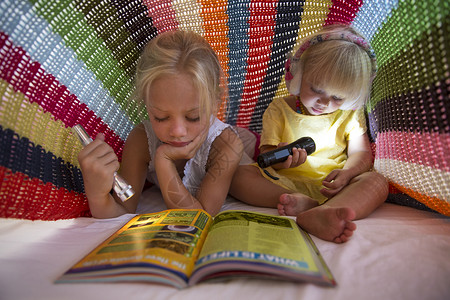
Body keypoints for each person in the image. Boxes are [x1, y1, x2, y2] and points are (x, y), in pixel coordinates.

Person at [230, 24, 389, 243]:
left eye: (338, 98)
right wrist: (283, 161)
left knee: (377, 181)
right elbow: (267, 154)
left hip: (334, 188)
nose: (324, 103)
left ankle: (326, 211)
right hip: (281, 182)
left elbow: (361, 153)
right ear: (299, 75)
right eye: (316, 90)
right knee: (238, 176)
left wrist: (347, 174)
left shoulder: (349, 115)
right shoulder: (279, 109)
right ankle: (298, 202)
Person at [78, 31, 244, 219]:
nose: (178, 132)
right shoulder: (142, 140)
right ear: (147, 106)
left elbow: (199, 218)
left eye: (193, 117)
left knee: (248, 183)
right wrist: (97, 195)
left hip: (242, 141)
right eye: (161, 117)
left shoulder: (227, 144)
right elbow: (121, 212)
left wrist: (163, 161)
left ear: (216, 103)